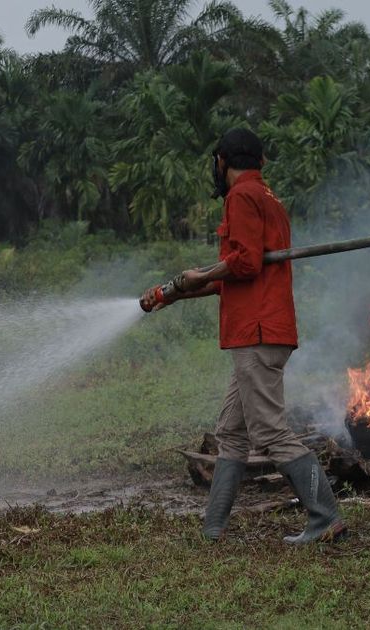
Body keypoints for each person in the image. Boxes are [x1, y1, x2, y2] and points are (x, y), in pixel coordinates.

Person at [142, 128, 346, 544]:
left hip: (256, 331)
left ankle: (325, 516)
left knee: (269, 431)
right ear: (261, 162)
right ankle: (214, 527)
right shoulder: (267, 198)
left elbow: (246, 263)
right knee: (231, 432)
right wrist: (175, 294)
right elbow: (232, 276)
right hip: (259, 331)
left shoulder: (242, 197)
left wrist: (199, 274)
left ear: (222, 161)